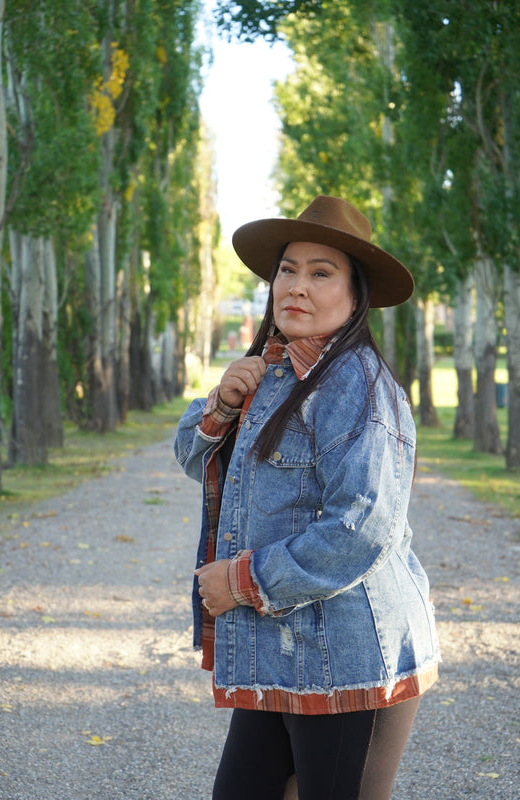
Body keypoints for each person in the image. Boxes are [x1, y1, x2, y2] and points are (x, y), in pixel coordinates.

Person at [174, 195, 440, 800]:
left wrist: (241, 581)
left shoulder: (358, 385)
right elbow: (195, 459)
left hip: (349, 657)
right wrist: (221, 405)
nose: (296, 286)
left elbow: (361, 527)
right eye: (287, 270)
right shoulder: (270, 373)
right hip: (282, 651)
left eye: (321, 273)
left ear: (355, 294)